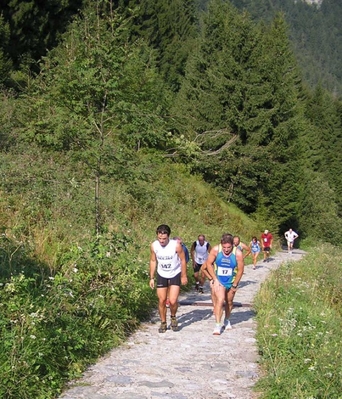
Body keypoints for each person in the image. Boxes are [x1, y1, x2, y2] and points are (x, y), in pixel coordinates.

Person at [202, 233, 244, 335]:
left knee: (229, 302)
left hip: (231, 280)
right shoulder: (216, 250)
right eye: (224, 247)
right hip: (219, 280)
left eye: (228, 247)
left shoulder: (237, 253)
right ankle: (217, 325)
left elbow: (240, 270)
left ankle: (227, 319)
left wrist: (235, 284)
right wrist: (214, 279)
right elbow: (208, 264)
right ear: (221, 245)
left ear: (232, 246)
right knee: (220, 300)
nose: (226, 249)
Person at [149, 225, 188, 333]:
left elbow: (183, 260)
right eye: (159, 238)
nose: (161, 241)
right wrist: (151, 277)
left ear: (168, 237)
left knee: (172, 300)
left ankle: (173, 316)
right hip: (162, 274)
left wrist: (184, 275)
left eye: (164, 239)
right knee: (161, 300)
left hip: (175, 273)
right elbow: (153, 261)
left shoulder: (176, 246)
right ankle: (163, 322)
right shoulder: (154, 246)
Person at [165, 237, 190, 308]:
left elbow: (185, 260)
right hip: (169, 269)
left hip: (178, 270)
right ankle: (167, 299)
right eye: (178, 243)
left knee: (175, 285)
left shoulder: (184, 249)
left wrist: (184, 273)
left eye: (180, 244)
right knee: (168, 284)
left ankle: (174, 300)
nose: (179, 245)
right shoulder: (168, 248)